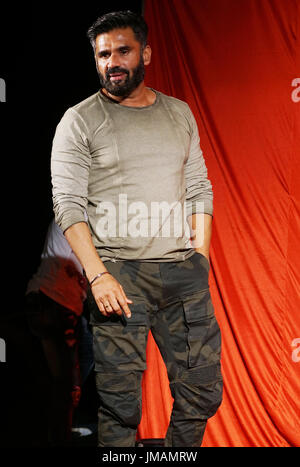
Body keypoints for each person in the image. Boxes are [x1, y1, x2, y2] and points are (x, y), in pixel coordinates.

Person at [51, 10, 223, 447]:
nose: (112, 61)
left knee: (202, 392)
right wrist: (98, 273)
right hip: (119, 276)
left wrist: (200, 255)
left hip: (181, 272)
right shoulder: (79, 120)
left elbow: (200, 187)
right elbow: (68, 205)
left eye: (122, 51)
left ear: (144, 53)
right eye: (103, 54)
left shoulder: (179, 113)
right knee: (121, 407)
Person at [25, 218, 87, 445]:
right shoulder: (77, 215)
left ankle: (59, 432)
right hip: (56, 303)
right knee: (66, 384)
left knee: (62, 380)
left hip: (47, 300)